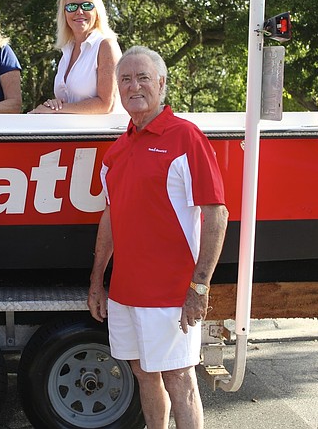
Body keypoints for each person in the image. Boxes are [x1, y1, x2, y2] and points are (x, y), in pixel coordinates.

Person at [87, 46, 228, 429]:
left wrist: (199, 286)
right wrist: (98, 281)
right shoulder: (116, 150)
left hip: (170, 294)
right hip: (124, 293)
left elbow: (217, 213)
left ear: (161, 84)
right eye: (126, 79)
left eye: (143, 77)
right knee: (144, 374)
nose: (134, 86)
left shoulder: (186, 137)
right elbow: (111, 217)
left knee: (179, 379)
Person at [29, 0, 122, 114]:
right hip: (71, 132)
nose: (79, 11)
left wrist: (56, 110)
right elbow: (70, 102)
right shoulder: (67, 50)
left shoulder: (106, 46)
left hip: (102, 133)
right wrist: (54, 104)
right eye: (72, 7)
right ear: (64, 14)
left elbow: (106, 104)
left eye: (87, 5)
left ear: (97, 12)